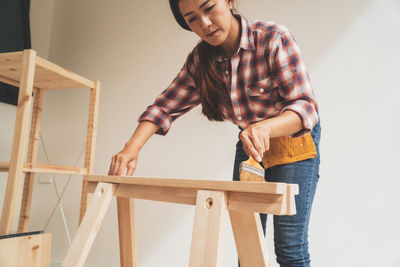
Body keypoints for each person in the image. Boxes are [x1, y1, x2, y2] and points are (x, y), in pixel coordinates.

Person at [108, 0, 321, 266]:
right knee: (249, 247)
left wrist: (265, 127)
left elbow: (305, 107)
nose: (205, 24)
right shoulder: (201, 60)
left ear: (229, 1)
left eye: (209, 8)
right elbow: (164, 106)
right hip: (251, 148)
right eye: (192, 19)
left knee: (289, 248)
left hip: (294, 143)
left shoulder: (273, 38)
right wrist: (131, 148)